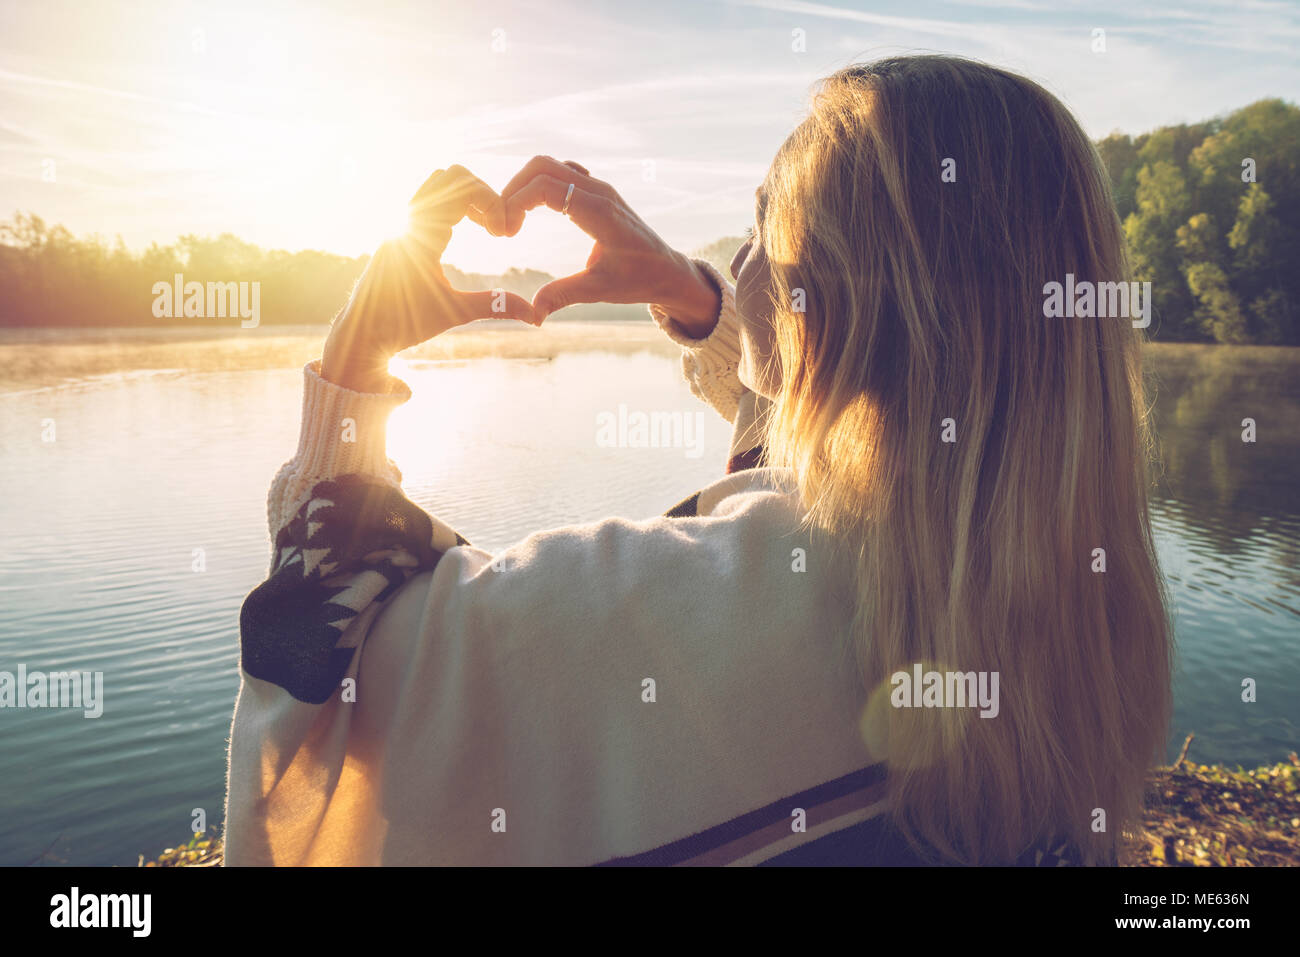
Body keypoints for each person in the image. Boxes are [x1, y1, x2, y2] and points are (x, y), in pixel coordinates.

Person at [223, 55, 1172, 866]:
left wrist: (351, 376)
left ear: (829, 313)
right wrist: (700, 303)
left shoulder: (644, 610)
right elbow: (842, 457)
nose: (740, 255)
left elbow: (325, 670)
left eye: (763, 228)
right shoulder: (1083, 591)